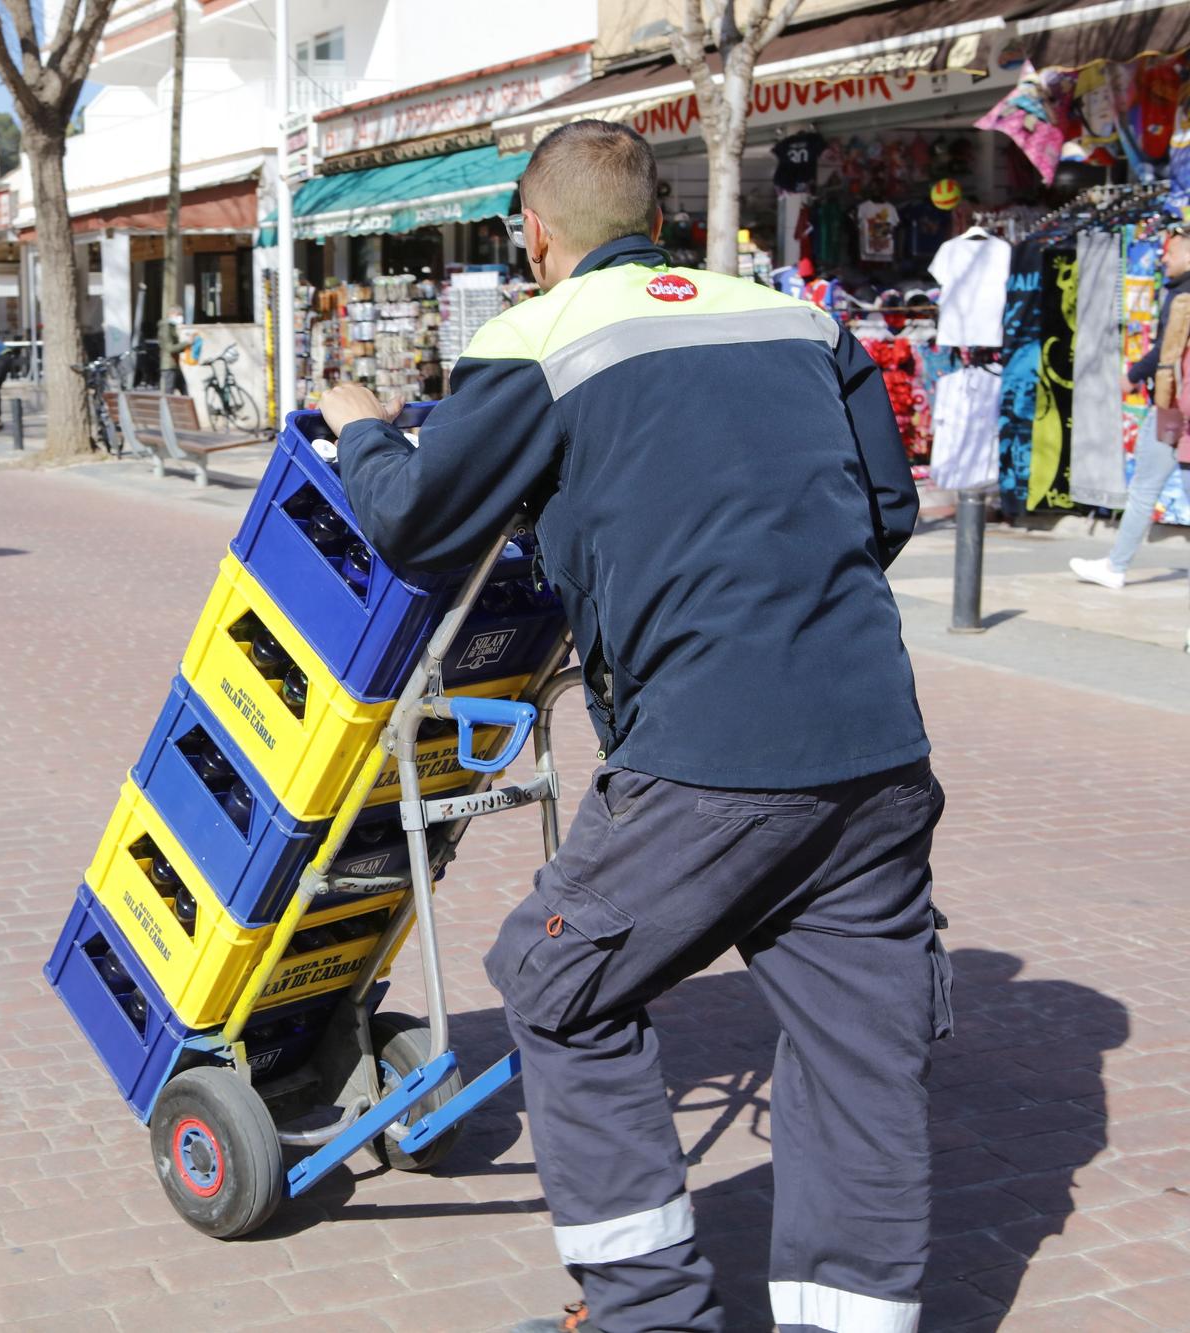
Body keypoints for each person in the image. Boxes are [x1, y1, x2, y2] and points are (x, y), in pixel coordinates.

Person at [320, 120, 947, 1333]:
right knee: (855, 1053)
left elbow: (410, 520)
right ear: (657, 222)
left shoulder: (538, 337)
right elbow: (882, 506)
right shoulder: (795, 319)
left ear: (535, 236)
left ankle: (645, 1313)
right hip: (875, 747)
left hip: (707, 758)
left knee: (552, 981)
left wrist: (354, 421)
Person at [1069, 224, 1190, 650]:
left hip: (1175, 406)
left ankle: (1116, 566)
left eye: (1171, 252)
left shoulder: (1183, 295)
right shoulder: (1177, 290)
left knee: (1144, 487)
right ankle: (1116, 565)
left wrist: (1133, 375)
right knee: (1144, 485)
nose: (1164, 258)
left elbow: (1167, 350)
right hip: (1172, 406)